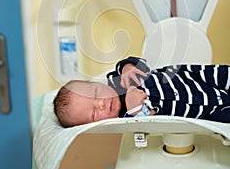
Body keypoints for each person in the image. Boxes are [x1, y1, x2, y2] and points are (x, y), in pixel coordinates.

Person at [53, 56, 230, 127]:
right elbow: (149, 121)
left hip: (194, 78)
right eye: (93, 113)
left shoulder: (119, 80)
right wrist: (135, 111)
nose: (101, 103)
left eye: (97, 93)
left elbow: (139, 63)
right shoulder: (126, 120)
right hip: (207, 111)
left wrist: (128, 67)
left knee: (224, 74)